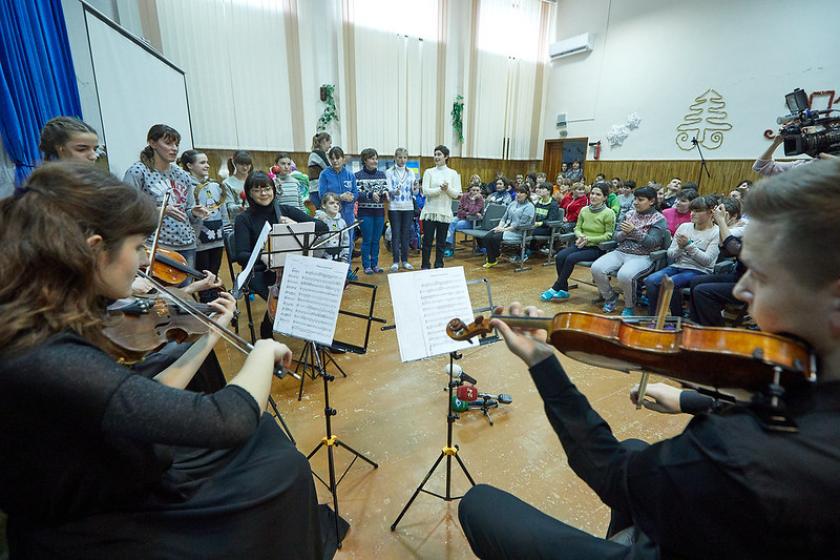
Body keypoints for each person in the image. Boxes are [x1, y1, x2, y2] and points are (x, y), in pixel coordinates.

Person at [459, 158, 840, 560]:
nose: (741, 290)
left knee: (480, 504)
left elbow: (610, 472)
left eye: (760, 276)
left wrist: (541, 361)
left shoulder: (736, 451)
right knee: (640, 444)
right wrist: (689, 400)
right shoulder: (808, 386)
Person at [0, 163, 324, 559]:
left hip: (103, 472)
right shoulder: (52, 359)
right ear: (94, 250)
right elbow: (231, 419)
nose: (143, 263)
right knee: (280, 470)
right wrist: (261, 350)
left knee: (268, 441)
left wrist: (211, 333)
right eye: (138, 247)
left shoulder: (40, 324)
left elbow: (140, 394)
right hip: (94, 519)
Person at [234, 171, 327, 339]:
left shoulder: (285, 210)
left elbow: (322, 227)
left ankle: (319, 336)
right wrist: (261, 255)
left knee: (316, 290)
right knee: (284, 294)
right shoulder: (243, 219)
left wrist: (297, 224)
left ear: (273, 190)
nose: (263, 193)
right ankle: (267, 332)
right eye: (257, 190)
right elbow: (240, 254)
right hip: (260, 271)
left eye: (267, 188)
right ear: (249, 193)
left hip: (290, 267)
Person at [123, 124, 210, 274]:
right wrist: (160, 210)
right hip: (156, 245)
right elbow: (127, 210)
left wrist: (194, 212)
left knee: (185, 293)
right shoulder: (138, 172)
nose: (174, 148)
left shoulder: (182, 175)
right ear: (152, 143)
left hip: (186, 244)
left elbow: (186, 210)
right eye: (168, 143)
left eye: (176, 144)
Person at [590, 186, 668, 317]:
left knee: (625, 275)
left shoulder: (658, 219)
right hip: (621, 251)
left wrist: (634, 232)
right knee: (596, 268)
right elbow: (616, 236)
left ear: (652, 201)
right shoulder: (629, 214)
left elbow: (652, 243)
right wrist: (624, 234)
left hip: (643, 256)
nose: (636, 202)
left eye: (640, 200)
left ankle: (629, 306)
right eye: (635, 199)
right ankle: (610, 297)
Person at [645, 195, 720, 318]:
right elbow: (671, 253)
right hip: (678, 266)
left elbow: (706, 261)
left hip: (700, 271)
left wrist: (688, 245)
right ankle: (654, 317)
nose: (692, 214)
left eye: (697, 211)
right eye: (692, 210)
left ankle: (676, 317)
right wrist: (680, 247)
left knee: (670, 283)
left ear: (711, 212)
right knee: (651, 281)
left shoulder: (716, 232)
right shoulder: (685, 227)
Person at [540, 182, 615, 301]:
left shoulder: (609, 213)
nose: (594, 196)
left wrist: (588, 239)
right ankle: (563, 289)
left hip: (597, 248)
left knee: (570, 258)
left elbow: (608, 235)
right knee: (560, 256)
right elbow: (577, 228)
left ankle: (556, 287)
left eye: (598, 195)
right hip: (581, 244)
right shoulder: (585, 210)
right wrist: (580, 236)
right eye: (593, 193)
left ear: (605, 198)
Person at [179, 149, 231, 302]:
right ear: (189, 166)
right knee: (203, 276)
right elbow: (185, 213)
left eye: (207, 162)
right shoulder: (185, 186)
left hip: (218, 238)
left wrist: (226, 230)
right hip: (199, 241)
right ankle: (206, 306)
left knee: (214, 274)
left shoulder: (215, 186)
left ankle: (215, 304)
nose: (207, 165)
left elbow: (222, 210)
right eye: (202, 162)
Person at [689, 197, 747, 326]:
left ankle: (714, 331)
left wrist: (721, 222)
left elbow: (734, 248)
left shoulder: (751, 228)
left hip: (754, 283)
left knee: (703, 291)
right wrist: (723, 224)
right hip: (740, 276)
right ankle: (696, 324)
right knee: (696, 281)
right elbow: (726, 250)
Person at [420, 144, 461, 269]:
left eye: (439, 154)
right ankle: (425, 264)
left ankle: (439, 264)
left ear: (446, 156)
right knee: (427, 241)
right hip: (430, 212)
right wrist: (440, 189)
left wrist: (447, 189)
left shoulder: (453, 173)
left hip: (444, 213)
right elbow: (425, 191)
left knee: (441, 242)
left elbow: (456, 194)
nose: (436, 157)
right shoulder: (429, 172)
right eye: (435, 154)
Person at [318, 146, 358, 270]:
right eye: (332, 159)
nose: (335, 161)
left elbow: (356, 193)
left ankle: (347, 270)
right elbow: (322, 195)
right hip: (331, 216)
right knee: (332, 241)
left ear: (343, 158)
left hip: (348, 214)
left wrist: (352, 197)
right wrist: (340, 197)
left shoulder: (350, 175)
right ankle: (332, 270)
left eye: (338, 158)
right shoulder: (324, 174)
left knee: (348, 242)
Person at [481, 184, 535, 268]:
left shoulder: (530, 207)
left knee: (495, 237)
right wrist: (499, 227)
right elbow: (504, 218)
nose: (518, 194)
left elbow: (520, 225)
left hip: (518, 232)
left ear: (527, 194)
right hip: (505, 228)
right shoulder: (512, 203)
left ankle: (494, 256)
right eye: (517, 192)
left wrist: (504, 229)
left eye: (521, 192)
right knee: (487, 237)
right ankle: (493, 260)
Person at [355, 147, 388, 274]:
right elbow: (357, 194)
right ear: (364, 160)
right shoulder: (357, 176)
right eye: (371, 158)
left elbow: (384, 193)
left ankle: (375, 264)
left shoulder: (381, 174)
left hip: (379, 213)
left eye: (376, 158)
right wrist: (369, 194)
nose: (375, 161)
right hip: (365, 213)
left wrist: (388, 194)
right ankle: (366, 265)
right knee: (367, 240)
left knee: (376, 240)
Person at [385, 148, 417, 272]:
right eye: (399, 157)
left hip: (408, 207)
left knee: (406, 235)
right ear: (395, 157)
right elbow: (388, 190)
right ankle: (395, 261)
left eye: (404, 157)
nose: (402, 160)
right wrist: (394, 192)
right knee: (396, 234)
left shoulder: (411, 172)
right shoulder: (389, 172)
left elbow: (414, 192)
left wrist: (415, 188)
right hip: (394, 207)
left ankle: (405, 260)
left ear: (407, 159)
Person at [445, 182, 485, 257]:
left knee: (456, 225)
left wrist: (472, 201)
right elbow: (459, 210)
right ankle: (448, 246)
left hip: (473, 221)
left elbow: (474, 210)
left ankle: (448, 247)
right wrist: (468, 213)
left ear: (480, 191)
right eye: (473, 190)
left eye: (477, 190)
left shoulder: (480, 200)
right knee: (451, 221)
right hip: (462, 217)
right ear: (470, 190)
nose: (475, 192)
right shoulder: (464, 196)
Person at [313, 192, 349, 263]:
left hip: (337, 258)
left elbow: (346, 240)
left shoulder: (342, 222)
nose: (335, 205)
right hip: (320, 259)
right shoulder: (318, 220)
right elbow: (313, 241)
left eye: (337, 203)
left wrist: (345, 255)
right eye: (331, 203)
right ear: (323, 205)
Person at [307, 132, 332, 208]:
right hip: (317, 190)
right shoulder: (319, 153)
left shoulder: (314, 153)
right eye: (329, 143)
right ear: (324, 141)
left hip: (314, 189)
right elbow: (329, 169)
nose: (330, 146)